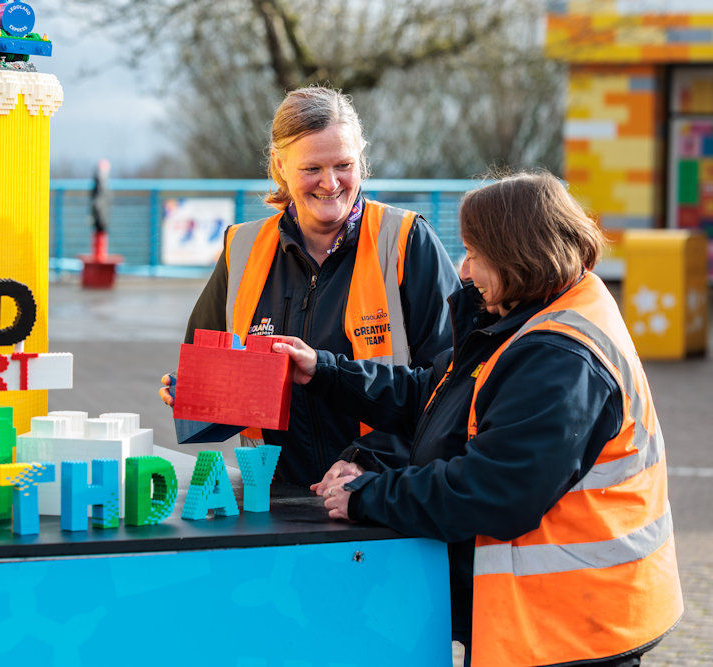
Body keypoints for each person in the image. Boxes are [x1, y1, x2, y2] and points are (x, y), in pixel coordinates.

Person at [273, 171, 683, 666]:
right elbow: (435, 395)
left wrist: (369, 497)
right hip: (555, 616)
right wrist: (326, 372)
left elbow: (492, 490)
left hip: (573, 625)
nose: (464, 270)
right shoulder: (531, 313)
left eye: (475, 254)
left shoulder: (559, 357)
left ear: (518, 256)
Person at [161, 85, 461, 487]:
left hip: (384, 490)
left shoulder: (407, 241)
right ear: (279, 165)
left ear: (362, 160)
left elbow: (454, 384)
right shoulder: (241, 247)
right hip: (272, 496)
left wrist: (369, 462)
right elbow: (210, 377)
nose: (330, 183)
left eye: (343, 165)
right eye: (312, 169)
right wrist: (193, 393)